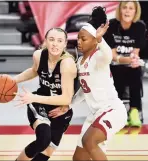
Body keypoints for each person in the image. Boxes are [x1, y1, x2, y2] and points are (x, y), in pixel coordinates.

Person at [49, 6, 127, 161]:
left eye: (83, 39)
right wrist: (68, 105)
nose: (79, 41)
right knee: (78, 158)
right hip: (95, 114)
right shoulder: (79, 63)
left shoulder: (98, 57)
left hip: (112, 110)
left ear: (93, 41)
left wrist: (100, 39)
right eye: (78, 38)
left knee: (89, 141)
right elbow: (84, 91)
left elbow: (108, 56)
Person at [13, 27, 77, 161]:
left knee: (48, 150)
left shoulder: (67, 64)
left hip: (60, 108)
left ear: (65, 44)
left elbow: (66, 97)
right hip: (40, 103)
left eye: (60, 41)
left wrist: (33, 97)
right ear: (45, 41)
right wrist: (13, 80)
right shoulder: (38, 55)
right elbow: (34, 70)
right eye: (51, 39)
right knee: (43, 139)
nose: (55, 44)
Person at [104, 1, 146, 127]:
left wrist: (133, 59)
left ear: (135, 11)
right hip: (114, 63)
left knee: (135, 70)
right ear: (120, 10)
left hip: (130, 64)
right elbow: (112, 55)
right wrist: (125, 60)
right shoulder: (111, 25)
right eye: (125, 8)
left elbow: (136, 52)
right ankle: (119, 112)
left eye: (131, 8)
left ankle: (134, 111)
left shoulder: (140, 26)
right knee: (118, 73)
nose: (127, 11)